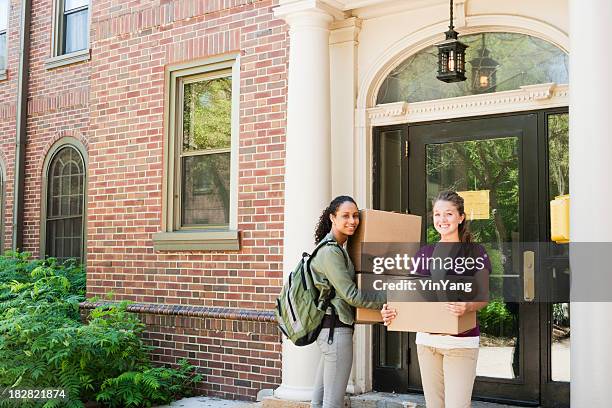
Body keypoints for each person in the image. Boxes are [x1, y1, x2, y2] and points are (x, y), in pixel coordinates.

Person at [381, 191, 491, 408]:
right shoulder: (424, 253)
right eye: (437, 214)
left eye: (448, 214)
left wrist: (467, 306)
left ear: (461, 217)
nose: (442, 220)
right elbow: (410, 295)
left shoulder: (475, 252)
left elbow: (484, 297)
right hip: (428, 343)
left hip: (461, 342)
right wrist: (391, 311)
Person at [310, 195, 386, 408]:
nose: (352, 221)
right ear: (332, 217)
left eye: (355, 216)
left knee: (319, 401)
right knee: (332, 403)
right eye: (345, 216)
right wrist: (391, 297)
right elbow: (351, 295)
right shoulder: (331, 252)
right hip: (335, 333)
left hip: (329, 332)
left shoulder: (336, 248)